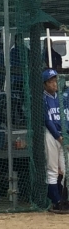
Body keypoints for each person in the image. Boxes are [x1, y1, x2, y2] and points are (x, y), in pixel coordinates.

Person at [43, 68, 69, 213]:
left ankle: (64, 199)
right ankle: (56, 202)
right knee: (52, 170)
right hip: (51, 136)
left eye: (55, 81)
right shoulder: (43, 98)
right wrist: (59, 138)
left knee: (65, 170)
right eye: (51, 81)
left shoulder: (62, 98)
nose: (54, 84)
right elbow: (48, 121)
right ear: (45, 84)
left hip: (64, 136)